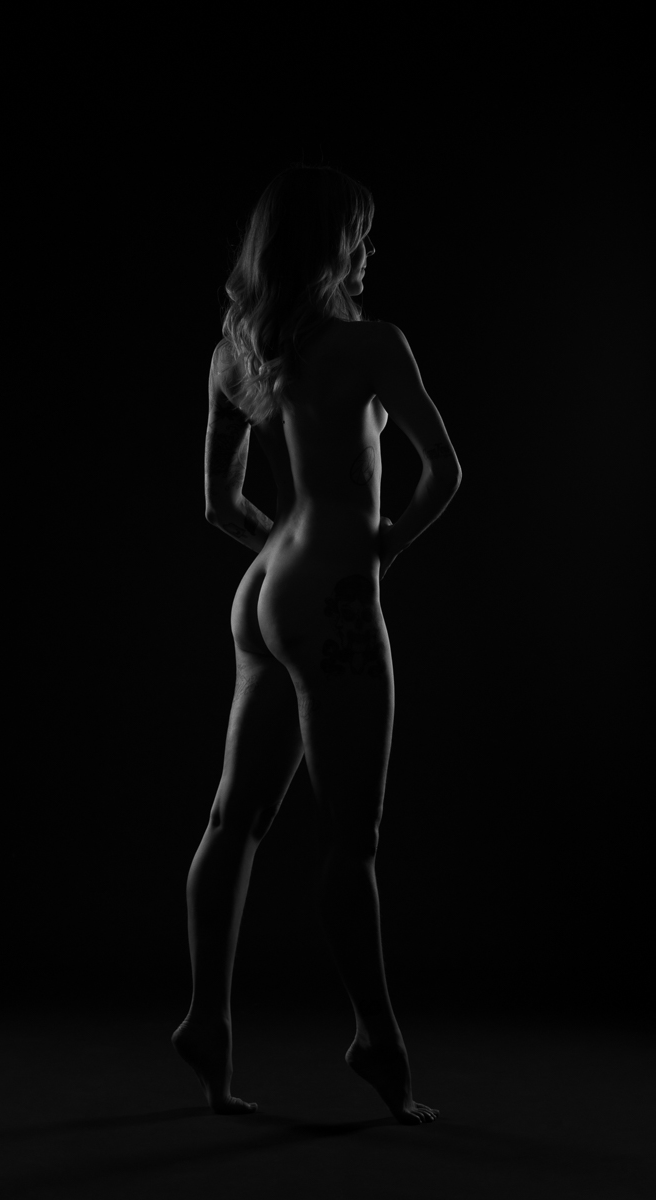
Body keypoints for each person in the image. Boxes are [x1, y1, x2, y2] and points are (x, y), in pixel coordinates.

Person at [172, 163, 461, 1124]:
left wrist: (284, 560)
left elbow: (218, 506)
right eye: (358, 236)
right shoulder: (374, 345)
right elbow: (444, 470)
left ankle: (205, 1023)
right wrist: (383, 547)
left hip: (260, 591)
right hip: (332, 598)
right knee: (352, 841)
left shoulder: (233, 353)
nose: (368, 251)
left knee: (232, 819)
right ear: (328, 247)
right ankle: (378, 1041)